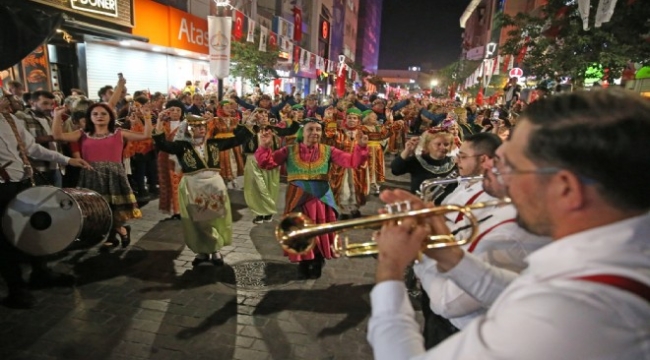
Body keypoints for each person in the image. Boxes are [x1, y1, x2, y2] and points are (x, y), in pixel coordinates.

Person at [367, 89, 650, 359]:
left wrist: (390, 267)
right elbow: (516, 290)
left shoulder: (577, 308)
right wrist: (448, 255)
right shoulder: (613, 261)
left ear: (565, 189)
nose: (501, 177)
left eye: (512, 167)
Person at [0, 100, 91, 309]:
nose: (4, 100)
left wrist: (67, 160)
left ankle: (40, 273)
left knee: (34, 229)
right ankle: (16, 288)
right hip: (1, 188)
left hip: (22, 182)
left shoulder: (10, 119)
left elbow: (33, 149)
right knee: (5, 239)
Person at [255, 118, 369, 279]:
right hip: (297, 199)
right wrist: (264, 146)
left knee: (319, 231)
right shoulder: (289, 150)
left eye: (318, 129)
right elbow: (267, 164)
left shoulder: (329, 150)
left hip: (321, 199)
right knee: (299, 231)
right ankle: (303, 261)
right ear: (303, 132)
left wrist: (361, 147)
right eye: (310, 129)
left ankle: (317, 260)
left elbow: (351, 161)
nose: (315, 132)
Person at [153, 114, 255, 266]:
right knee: (199, 221)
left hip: (214, 185)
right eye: (197, 127)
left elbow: (237, 139)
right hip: (194, 186)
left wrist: (248, 122)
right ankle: (206, 249)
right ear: (189, 129)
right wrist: (160, 122)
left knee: (212, 218)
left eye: (203, 126)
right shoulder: (182, 146)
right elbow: (162, 145)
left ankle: (212, 251)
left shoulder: (214, 143)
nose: (201, 129)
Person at [51, 102, 151, 248]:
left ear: (110, 117)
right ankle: (121, 231)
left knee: (114, 208)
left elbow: (146, 135)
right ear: (90, 117)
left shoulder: (119, 133)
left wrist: (147, 116)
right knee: (96, 210)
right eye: (95, 114)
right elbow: (57, 136)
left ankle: (115, 234)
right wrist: (57, 117)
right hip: (90, 175)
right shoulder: (82, 134)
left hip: (114, 175)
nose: (99, 116)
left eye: (103, 114)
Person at [391, 128, 457, 200]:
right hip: (421, 205)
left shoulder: (455, 163)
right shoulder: (418, 161)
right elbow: (396, 170)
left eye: (446, 144)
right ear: (428, 145)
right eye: (438, 144)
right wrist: (407, 151)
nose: (443, 147)